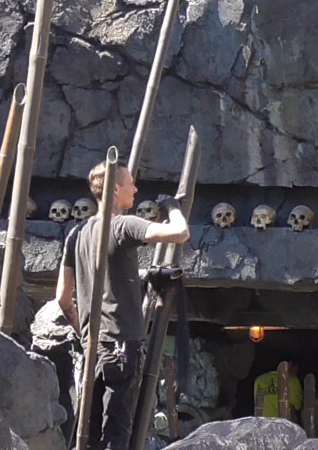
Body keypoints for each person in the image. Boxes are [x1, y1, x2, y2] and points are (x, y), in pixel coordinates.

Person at [55, 161, 190, 450]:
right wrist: (173, 208)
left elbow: (63, 299)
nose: (136, 189)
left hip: (94, 346)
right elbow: (180, 234)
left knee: (88, 432)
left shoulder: (76, 235)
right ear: (115, 189)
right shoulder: (123, 225)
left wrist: (84, 332)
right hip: (121, 344)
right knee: (117, 434)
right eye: (130, 184)